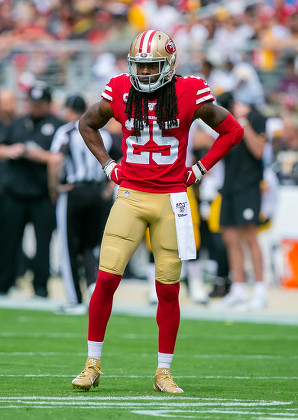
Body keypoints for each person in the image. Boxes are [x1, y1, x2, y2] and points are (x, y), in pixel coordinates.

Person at [71, 29, 243, 394]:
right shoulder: (119, 88)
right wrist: (108, 165)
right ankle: (91, 364)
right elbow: (86, 123)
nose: (145, 74)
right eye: (140, 66)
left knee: (168, 289)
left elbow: (232, 131)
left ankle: (163, 371)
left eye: (152, 67)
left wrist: (200, 169)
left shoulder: (190, 91)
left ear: (169, 64)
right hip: (131, 196)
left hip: (171, 200)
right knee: (106, 280)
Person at [48, 95, 114, 314]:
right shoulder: (103, 133)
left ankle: (75, 299)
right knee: (92, 246)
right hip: (97, 192)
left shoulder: (66, 131)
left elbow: (56, 161)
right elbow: (119, 160)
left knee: (69, 247)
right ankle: (94, 291)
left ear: (68, 110)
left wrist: (54, 188)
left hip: (74, 191)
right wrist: (108, 189)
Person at [0, 83, 64, 298]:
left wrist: (39, 156)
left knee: (43, 243)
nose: (36, 107)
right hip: (15, 193)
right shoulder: (17, 123)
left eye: (40, 104)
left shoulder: (57, 125)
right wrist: (11, 150)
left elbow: (61, 157)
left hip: (42, 194)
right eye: (33, 103)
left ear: (48, 104)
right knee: (8, 241)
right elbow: (2, 146)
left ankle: (41, 287)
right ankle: (4, 284)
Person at [216, 91, 268, 309]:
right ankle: (238, 288)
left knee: (250, 236)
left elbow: (259, 151)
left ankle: (259, 290)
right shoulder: (226, 121)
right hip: (229, 186)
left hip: (248, 186)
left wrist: (244, 122)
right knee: (230, 237)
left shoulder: (256, 117)